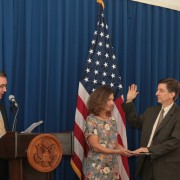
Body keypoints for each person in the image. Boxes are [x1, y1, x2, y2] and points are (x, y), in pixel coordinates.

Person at [122, 78, 180, 180]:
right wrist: (129, 101)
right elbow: (134, 122)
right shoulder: (151, 111)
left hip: (167, 169)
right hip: (147, 166)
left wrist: (149, 150)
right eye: (157, 90)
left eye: (161, 91)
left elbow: (174, 141)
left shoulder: (178, 115)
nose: (156, 93)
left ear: (172, 94)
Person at [83, 85, 132, 179]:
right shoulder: (91, 120)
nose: (112, 103)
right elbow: (96, 147)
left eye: (112, 100)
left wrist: (125, 151)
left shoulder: (112, 120)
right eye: (109, 100)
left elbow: (115, 144)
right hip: (96, 168)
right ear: (100, 100)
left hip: (112, 167)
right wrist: (117, 151)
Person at [0, 72, 9, 180]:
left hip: (3, 162)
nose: (5, 90)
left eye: (5, 86)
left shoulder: (2, 106)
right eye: (1, 86)